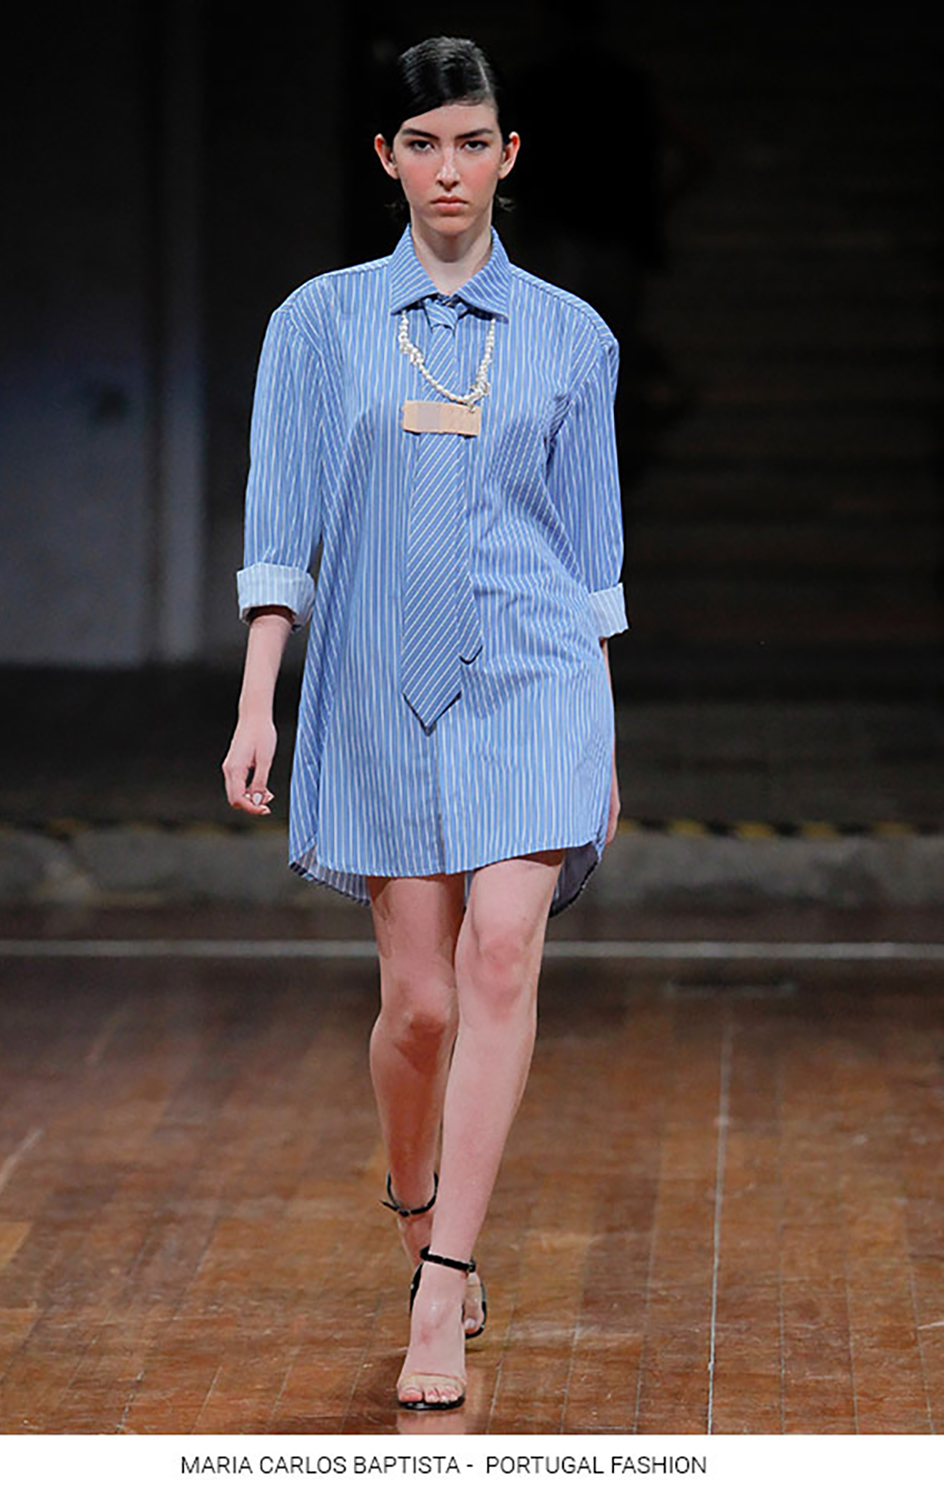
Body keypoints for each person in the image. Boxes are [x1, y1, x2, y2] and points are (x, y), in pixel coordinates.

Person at [221, 36, 627, 1412]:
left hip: (534, 672)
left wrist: (601, 734)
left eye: (471, 143)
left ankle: (442, 1290)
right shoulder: (318, 323)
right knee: (421, 1005)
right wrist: (259, 700)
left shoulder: (573, 336)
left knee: (503, 955)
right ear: (387, 159)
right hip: (378, 677)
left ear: (508, 158)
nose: (448, 169)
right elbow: (282, 522)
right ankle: (415, 1206)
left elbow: (590, 554)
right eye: (422, 144)